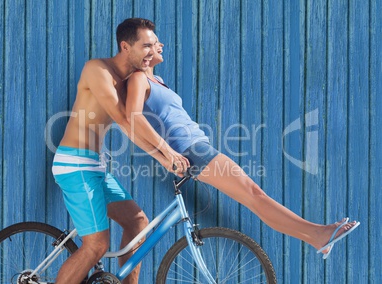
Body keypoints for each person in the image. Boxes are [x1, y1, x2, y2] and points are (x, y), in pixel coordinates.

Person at [124, 38, 360, 260]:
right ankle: (318, 234)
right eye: (153, 43)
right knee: (254, 194)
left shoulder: (158, 80)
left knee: (254, 196)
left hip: (197, 147)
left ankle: (315, 237)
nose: (160, 45)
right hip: (191, 151)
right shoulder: (138, 78)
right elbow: (133, 117)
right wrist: (168, 154)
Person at [52, 18, 189, 284]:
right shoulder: (97, 69)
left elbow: (132, 128)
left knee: (138, 225)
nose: (152, 51)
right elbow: (126, 121)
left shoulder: (129, 82)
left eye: (155, 45)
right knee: (96, 245)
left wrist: (164, 159)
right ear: (125, 47)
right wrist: (168, 154)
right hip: (74, 164)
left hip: (95, 166)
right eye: (145, 45)